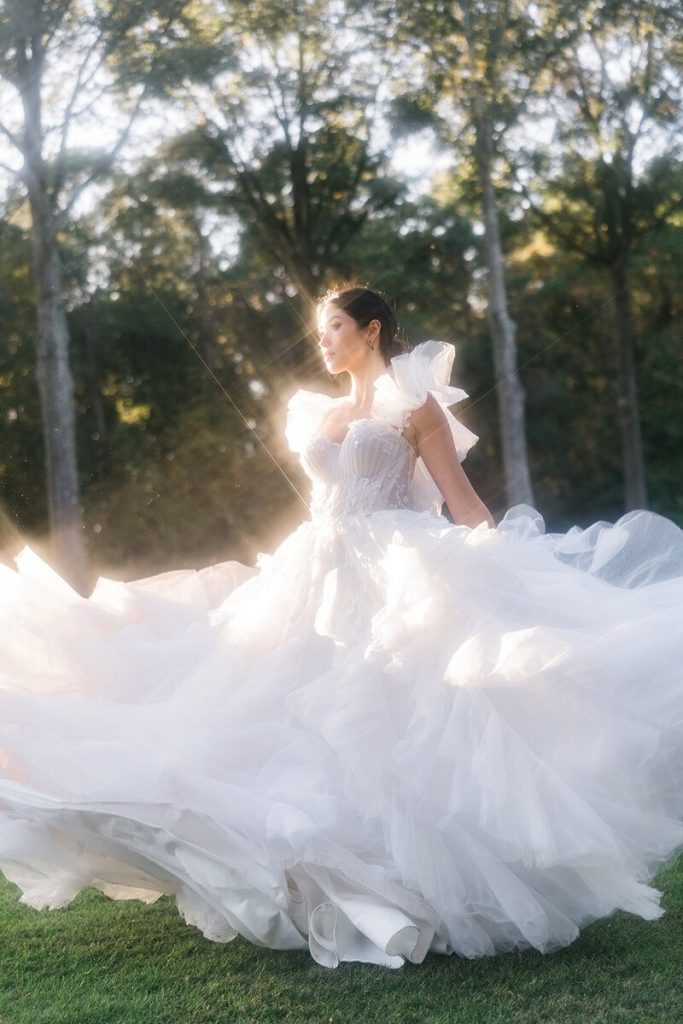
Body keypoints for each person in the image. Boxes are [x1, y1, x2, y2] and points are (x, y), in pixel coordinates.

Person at [0, 283, 681, 970]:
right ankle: (318, 868)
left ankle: (416, 881)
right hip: (315, 566)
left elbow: (462, 501)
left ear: (373, 330)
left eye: (332, 327)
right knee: (271, 710)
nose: (321, 340)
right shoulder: (318, 411)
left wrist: (511, 568)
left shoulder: (414, 408)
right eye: (318, 329)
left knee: (390, 720)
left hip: (396, 567)